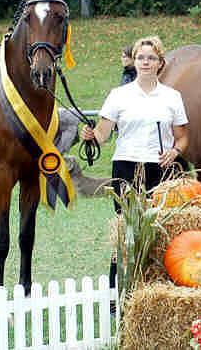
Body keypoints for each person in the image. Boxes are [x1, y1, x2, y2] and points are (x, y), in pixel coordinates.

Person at [80, 35, 189, 293]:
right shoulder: (119, 96)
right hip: (126, 167)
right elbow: (102, 135)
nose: (146, 62)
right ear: (134, 62)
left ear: (160, 63)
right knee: (126, 230)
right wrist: (90, 135)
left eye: (151, 58)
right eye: (141, 57)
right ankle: (117, 292)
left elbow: (183, 138)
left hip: (160, 169)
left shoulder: (172, 97)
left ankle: (157, 289)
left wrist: (174, 152)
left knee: (161, 227)